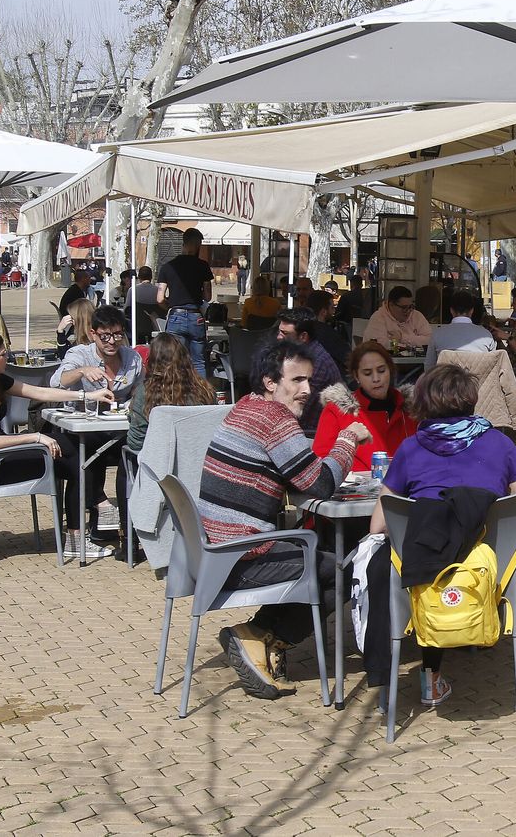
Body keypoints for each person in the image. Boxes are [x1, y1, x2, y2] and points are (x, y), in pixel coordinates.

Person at [198, 340, 369, 700]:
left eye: (310, 380)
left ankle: (261, 639)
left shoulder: (247, 408)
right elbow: (319, 483)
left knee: (322, 558)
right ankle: (258, 636)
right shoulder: (275, 419)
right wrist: (348, 438)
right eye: (297, 380)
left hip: (216, 549)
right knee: (343, 569)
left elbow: (297, 473)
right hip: (241, 555)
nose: (308, 390)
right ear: (269, 382)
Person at [368, 363, 516, 706]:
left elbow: (377, 525)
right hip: (487, 579)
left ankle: (423, 674)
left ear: (425, 403)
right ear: (470, 400)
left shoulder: (411, 449)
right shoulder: (501, 444)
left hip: (424, 577)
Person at [0, 331, 116, 558]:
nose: (7, 358)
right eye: (3, 354)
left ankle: (90, 520)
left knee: (79, 451)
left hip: (2, 455)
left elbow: (38, 392)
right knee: (77, 457)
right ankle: (95, 514)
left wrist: (87, 396)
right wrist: (36, 437)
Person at [51, 306, 144, 535]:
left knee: (132, 455)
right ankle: (95, 514)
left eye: (117, 335)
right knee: (86, 455)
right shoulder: (80, 354)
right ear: (93, 334)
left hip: (119, 430)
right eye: (105, 336)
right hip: (84, 430)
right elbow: (57, 382)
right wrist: (82, 371)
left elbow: (140, 391)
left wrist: (135, 401)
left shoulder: (132, 358)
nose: (112, 342)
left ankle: (127, 527)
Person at [313, 340, 419, 469]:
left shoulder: (412, 409)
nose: (376, 379)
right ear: (356, 376)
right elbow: (321, 461)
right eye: (367, 373)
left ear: (390, 371)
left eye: (381, 370)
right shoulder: (337, 410)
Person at [126, 333, 216, 454]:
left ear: (152, 361)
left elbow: (136, 443)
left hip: (160, 467)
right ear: (186, 358)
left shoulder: (145, 393)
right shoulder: (205, 390)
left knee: (124, 460)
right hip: (198, 463)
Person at [158, 227, 214, 374]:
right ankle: (201, 396)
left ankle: (175, 395)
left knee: (174, 361)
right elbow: (208, 297)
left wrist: (169, 306)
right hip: (196, 317)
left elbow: (159, 298)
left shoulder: (168, 267)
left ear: (184, 243)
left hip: (176, 315)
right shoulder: (203, 266)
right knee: (199, 362)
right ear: (197, 245)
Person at [426, 291, 495, 370]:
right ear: (472, 311)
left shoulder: (437, 334)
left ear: (451, 310)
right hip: (477, 381)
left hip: (446, 381)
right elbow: (491, 368)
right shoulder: (486, 335)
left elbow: (429, 367)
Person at [363, 286, 433, 348]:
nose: (408, 311)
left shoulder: (417, 316)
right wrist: (413, 344)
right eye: (404, 307)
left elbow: (430, 340)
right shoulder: (378, 317)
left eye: (410, 307)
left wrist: (402, 338)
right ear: (391, 304)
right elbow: (379, 344)